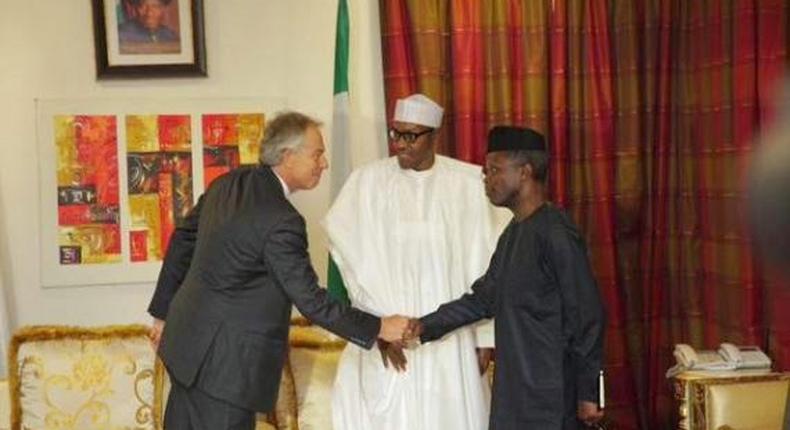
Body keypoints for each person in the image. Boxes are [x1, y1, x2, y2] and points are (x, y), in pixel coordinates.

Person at [146, 112, 411, 429]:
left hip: (186, 349)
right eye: (317, 154)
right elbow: (311, 301)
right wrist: (379, 327)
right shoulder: (282, 220)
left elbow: (182, 239)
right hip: (225, 372)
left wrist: (162, 314)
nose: (324, 163)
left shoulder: (228, 184)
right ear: (288, 156)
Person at [404, 126, 607, 429]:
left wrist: (589, 392)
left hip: (552, 398)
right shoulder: (512, 234)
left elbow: (587, 314)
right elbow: (483, 300)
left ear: (525, 172)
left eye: (495, 169)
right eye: (486, 171)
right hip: (515, 396)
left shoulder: (555, 232)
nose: (486, 179)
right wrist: (422, 325)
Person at [325, 94, 507, 430]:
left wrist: (484, 338)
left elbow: (487, 266)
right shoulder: (366, 183)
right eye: (396, 134)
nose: (400, 145)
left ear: (434, 136)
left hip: (450, 337)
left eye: (412, 136)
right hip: (387, 333)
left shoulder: (468, 183)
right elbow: (350, 261)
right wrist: (379, 328)